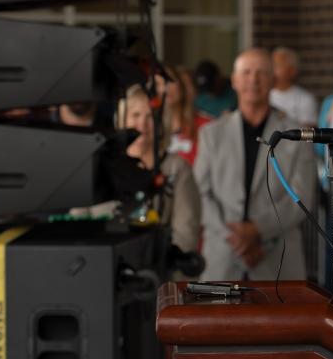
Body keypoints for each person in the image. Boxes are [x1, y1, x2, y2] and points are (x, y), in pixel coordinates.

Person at [194, 48, 315, 280]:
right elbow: (200, 193)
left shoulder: (297, 136)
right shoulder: (211, 134)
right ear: (235, 80)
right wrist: (238, 239)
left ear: (273, 80)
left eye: (261, 73)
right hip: (222, 256)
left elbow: (302, 198)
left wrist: (258, 231)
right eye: (246, 72)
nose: (253, 79)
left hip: (277, 260)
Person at [72, 85, 201, 256]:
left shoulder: (178, 168)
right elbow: (77, 224)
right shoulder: (97, 165)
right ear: (122, 120)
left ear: (161, 123)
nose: (142, 124)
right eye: (135, 115)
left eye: (150, 117)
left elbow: (186, 235)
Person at [270, 46, 318, 127]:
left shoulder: (305, 99)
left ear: (292, 71)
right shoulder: (263, 96)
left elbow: (309, 133)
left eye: (277, 66)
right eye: (271, 65)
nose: (272, 70)